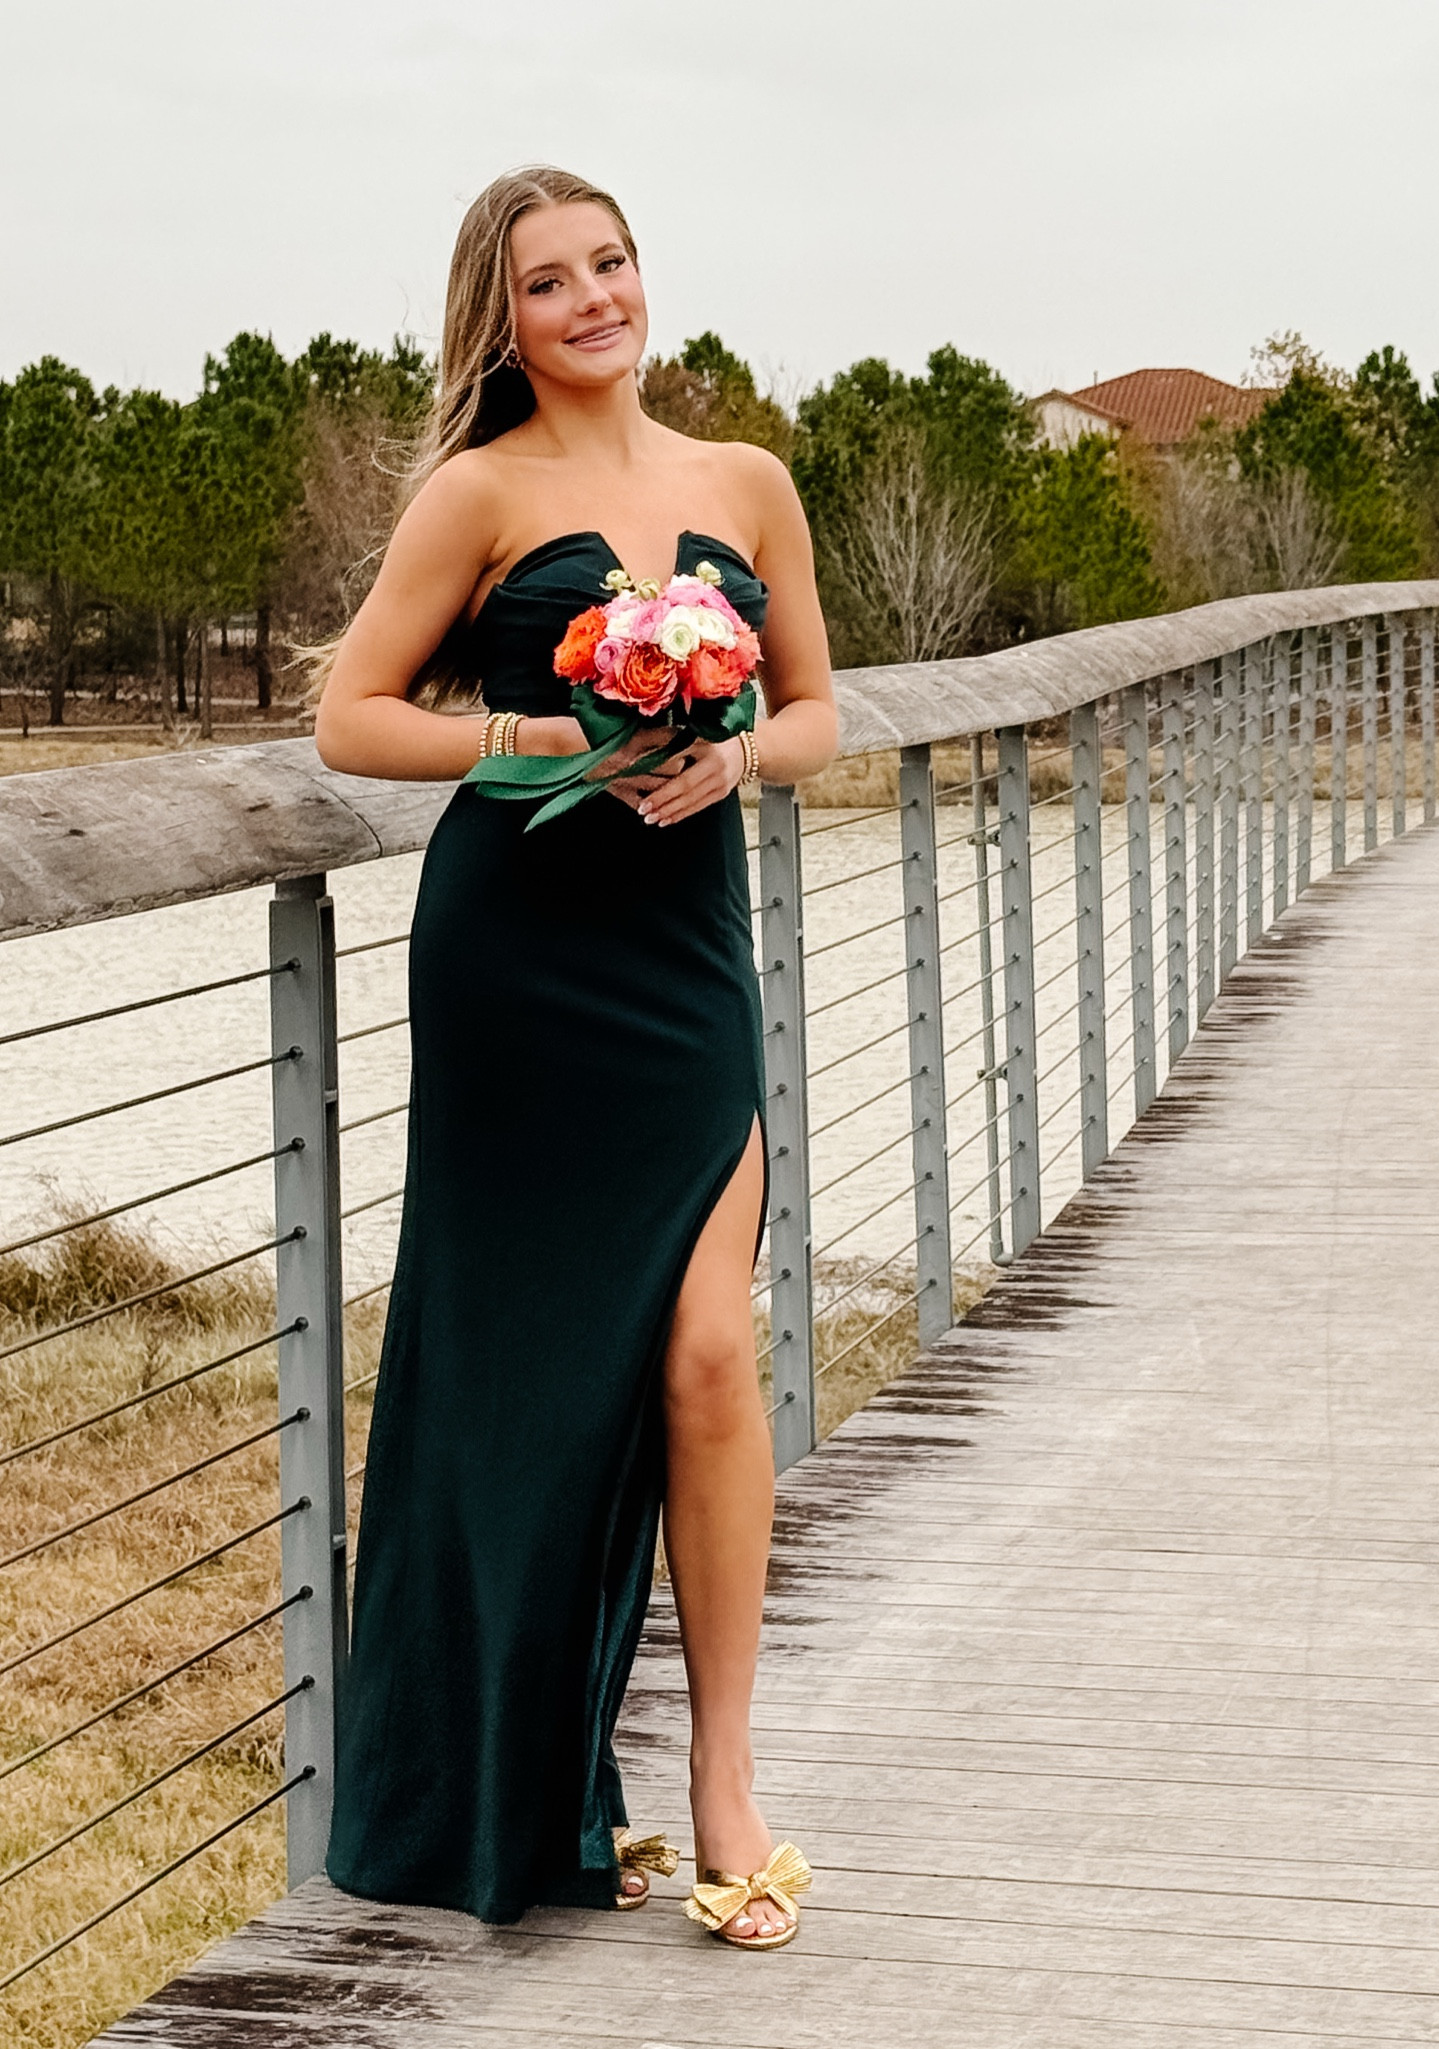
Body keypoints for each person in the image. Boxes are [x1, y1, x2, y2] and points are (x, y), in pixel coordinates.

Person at [311, 165, 839, 1951]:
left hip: (680, 973)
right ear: (504, 318)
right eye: (551, 281)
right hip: (515, 969)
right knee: (519, 1371)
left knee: (705, 1350)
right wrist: (541, 733)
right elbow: (351, 719)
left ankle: (723, 1779)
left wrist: (737, 758)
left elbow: (821, 710)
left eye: (611, 263)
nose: (594, 298)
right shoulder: (478, 493)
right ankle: (529, 1785)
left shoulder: (743, 483)